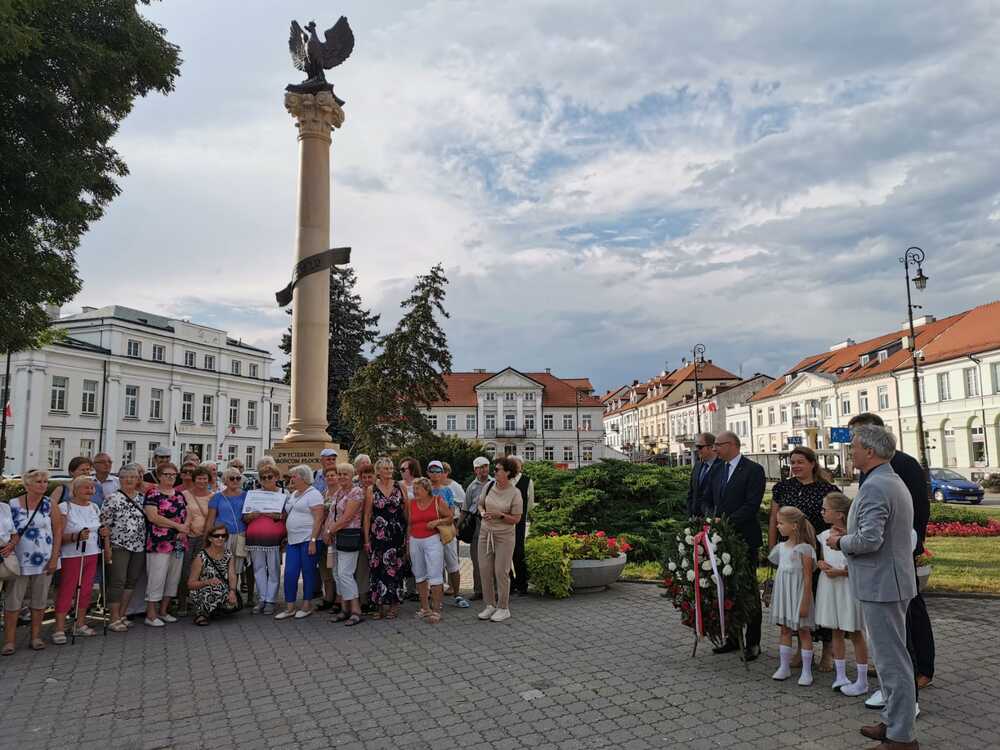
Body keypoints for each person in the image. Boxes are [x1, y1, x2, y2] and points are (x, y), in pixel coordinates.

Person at [827, 425, 918, 750]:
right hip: (885, 582)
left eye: (854, 447)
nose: (851, 452)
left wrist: (839, 540)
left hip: (884, 585)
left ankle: (902, 736)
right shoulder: (884, 480)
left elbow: (869, 540)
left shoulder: (879, 485)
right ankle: (895, 721)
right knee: (890, 658)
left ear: (871, 451)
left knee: (892, 662)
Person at [849, 412, 934, 691]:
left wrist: (914, 544)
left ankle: (922, 668)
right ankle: (896, 687)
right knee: (894, 635)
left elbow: (917, 509)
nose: (851, 445)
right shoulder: (874, 472)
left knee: (912, 616)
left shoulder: (901, 466)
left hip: (896, 556)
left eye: (856, 440)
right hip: (885, 560)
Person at [769, 445, 838, 672]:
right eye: (793, 462)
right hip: (790, 552)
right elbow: (774, 518)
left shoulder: (826, 489)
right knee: (797, 600)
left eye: (800, 462)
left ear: (812, 464)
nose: (796, 466)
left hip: (818, 551)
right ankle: (800, 648)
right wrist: (772, 546)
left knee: (821, 598)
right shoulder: (783, 487)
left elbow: (837, 519)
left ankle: (828, 650)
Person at [708, 430, 766, 660]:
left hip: (744, 539)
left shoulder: (753, 470)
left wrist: (727, 521)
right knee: (726, 588)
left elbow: (752, 504)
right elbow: (710, 499)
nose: (715, 450)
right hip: (720, 539)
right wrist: (710, 517)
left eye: (718, 446)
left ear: (731, 445)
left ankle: (753, 642)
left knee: (748, 591)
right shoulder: (718, 469)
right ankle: (732, 637)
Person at [3, 469, 62, 654]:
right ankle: (9, 641)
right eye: (38, 481)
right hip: (18, 560)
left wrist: (54, 557)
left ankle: (35, 637)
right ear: (27, 485)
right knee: (13, 601)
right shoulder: (12, 505)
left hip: (44, 559)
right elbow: (5, 531)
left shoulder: (50, 504)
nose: (43, 484)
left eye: (45, 481)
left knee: (40, 599)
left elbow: (58, 531)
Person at [816, 492, 870, 695]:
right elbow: (822, 557)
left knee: (855, 632)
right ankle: (840, 675)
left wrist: (841, 571)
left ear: (839, 514)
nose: (822, 512)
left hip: (848, 588)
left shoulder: (853, 537)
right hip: (830, 588)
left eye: (825, 509)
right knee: (835, 630)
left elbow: (860, 565)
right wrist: (821, 564)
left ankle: (862, 678)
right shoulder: (824, 536)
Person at [768, 506, 817, 685]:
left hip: (798, 594)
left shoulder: (805, 549)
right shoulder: (781, 548)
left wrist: (805, 602)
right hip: (784, 593)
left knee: (803, 631)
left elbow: (807, 578)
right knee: (785, 629)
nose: (778, 526)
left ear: (794, 525)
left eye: (781, 523)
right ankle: (784, 666)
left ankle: (806, 671)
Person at [53, 476, 103, 642]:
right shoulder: (65, 507)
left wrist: (104, 535)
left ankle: (80, 623)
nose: (90, 491)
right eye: (86, 488)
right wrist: (76, 536)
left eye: (92, 488)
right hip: (72, 554)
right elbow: (58, 535)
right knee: (68, 589)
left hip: (92, 552)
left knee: (86, 589)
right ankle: (59, 628)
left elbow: (99, 529)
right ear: (75, 490)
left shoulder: (94, 507)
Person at [99, 464, 148, 632]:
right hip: (118, 545)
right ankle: (113, 618)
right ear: (119, 480)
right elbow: (104, 525)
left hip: (139, 545)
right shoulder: (112, 498)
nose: (129, 480)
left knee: (131, 580)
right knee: (117, 581)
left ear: (138, 480)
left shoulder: (142, 498)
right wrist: (107, 548)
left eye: (133, 477)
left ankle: (121, 614)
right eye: (125, 477)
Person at [476, 455, 524, 623]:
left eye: (497, 470)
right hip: (485, 533)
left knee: (500, 572)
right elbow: (480, 504)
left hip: (504, 536)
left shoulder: (515, 493)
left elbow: (517, 519)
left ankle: (503, 608)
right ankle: (489, 605)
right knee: (484, 569)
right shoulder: (489, 486)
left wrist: (500, 515)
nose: (494, 472)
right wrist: (482, 513)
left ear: (508, 473)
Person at [276, 464, 325, 620]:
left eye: (294, 476)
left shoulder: (314, 494)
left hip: (307, 540)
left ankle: (306, 604)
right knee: (290, 573)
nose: (291, 479)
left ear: (303, 478)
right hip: (293, 540)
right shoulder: (294, 494)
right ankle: (289, 606)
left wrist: (312, 540)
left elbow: (318, 519)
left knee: (308, 572)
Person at [143, 462, 188, 627]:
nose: (170, 477)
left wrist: (184, 529)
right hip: (158, 542)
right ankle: (151, 613)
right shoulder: (153, 493)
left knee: (172, 578)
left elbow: (186, 513)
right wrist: (177, 526)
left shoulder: (179, 494)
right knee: (157, 577)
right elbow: (153, 517)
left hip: (178, 542)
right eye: (166, 474)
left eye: (173, 474)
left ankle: (163, 610)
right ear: (159, 476)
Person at [365, 457, 408, 619]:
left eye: (390, 468)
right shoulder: (371, 489)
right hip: (378, 536)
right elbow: (367, 515)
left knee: (395, 570)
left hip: (396, 535)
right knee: (378, 570)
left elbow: (406, 512)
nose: (389, 471)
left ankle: (394, 605)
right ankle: (379, 606)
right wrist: (366, 539)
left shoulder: (400, 486)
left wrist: (408, 535)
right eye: (385, 468)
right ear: (378, 471)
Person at [243, 457, 286, 614]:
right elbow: (245, 517)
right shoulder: (253, 494)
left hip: (273, 539)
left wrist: (278, 516)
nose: (267, 480)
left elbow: (288, 516)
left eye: (270, 477)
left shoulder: (283, 493)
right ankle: (262, 598)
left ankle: (271, 600)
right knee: (258, 568)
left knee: (273, 569)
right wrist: (250, 516)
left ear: (276, 477)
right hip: (255, 537)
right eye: (263, 477)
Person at [324, 463, 365, 626]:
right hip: (335, 537)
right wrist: (327, 530)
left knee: (345, 573)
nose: (341, 477)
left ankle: (356, 610)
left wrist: (329, 531)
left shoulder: (356, 492)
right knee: (336, 573)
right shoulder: (339, 492)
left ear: (352, 474)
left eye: (345, 474)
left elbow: (347, 517)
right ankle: (344, 608)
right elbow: (332, 514)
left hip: (348, 536)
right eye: (339, 474)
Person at [407, 477, 450, 623]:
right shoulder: (411, 503)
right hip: (415, 540)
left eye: (417, 489)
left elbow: (450, 517)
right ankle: (425, 608)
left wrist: (438, 521)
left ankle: (436, 610)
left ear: (426, 489)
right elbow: (408, 524)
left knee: (435, 574)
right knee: (419, 574)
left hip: (432, 540)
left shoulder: (437, 501)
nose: (415, 491)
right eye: (414, 489)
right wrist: (407, 543)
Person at [427, 460, 469, 608]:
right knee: (433, 566)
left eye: (437, 471)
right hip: (430, 533)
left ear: (442, 473)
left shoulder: (447, 490)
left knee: (452, 564)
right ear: (427, 473)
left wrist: (439, 519)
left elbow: (451, 513)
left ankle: (457, 594)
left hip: (445, 532)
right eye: (431, 471)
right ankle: (435, 598)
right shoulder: (425, 490)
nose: (434, 474)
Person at [177, 466, 215, 613]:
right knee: (184, 570)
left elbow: (214, 517)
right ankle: (182, 602)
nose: (202, 481)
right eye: (199, 478)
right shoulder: (184, 495)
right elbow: (180, 513)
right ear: (194, 480)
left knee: (200, 571)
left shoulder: (212, 496)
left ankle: (198, 602)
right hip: (188, 537)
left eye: (205, 478)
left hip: (204, 538)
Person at [187, 523, 239, 625]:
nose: (220, 538)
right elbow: (190, 584)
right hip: (202, 589)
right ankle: (202, 614)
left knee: (229, 600)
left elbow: (232, 575)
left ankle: (212, 610)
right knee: (211, 590)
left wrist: (232, 591)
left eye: (223, 536)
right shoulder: (201, 556)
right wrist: (207, 582)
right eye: (216, 536)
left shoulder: (228, 554)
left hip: (221, 588)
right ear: (210, 539)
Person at [205, 468, 247, 590]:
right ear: (225, 481)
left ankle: (233, 592)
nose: (235, 481)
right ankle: (221, 593)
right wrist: (207, 540)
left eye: (238, 478)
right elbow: (210, 520)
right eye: (232, 478)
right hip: (221, 536)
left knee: (237, 567)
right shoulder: (217, 497)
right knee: (221, 565)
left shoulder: (246, 496)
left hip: (240, 535)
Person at [463, 456, 492, 601]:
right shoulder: (471, 487)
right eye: (480, 467)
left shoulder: (495, 483)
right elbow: (465, 508)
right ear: (475, 470)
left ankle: (495, 591)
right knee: (476, 559)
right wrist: (457, 526)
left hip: (493, 524)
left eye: (486, 466)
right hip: (477, 524)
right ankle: (478, 590)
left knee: (493, 559)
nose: (484, 469)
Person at [508, 456, 534, 596]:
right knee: (505, 553)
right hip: (504, 521)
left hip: (519, 520)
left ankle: (522, 585)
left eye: (515, 464)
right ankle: (510, 583)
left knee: (519, 552)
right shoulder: (505, 479)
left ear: (521, 466)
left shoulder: (527, 481)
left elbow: (530, 502)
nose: (512, 466)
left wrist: (522, 515)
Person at [686, 433, 719, 517]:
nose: (697, 450)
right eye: (696, 447)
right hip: (695, 520)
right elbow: (691, 493)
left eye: (700, 447)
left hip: (713, 520)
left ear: (711, 447)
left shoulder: (723, 466)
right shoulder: (697, 466)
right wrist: (690, 515)